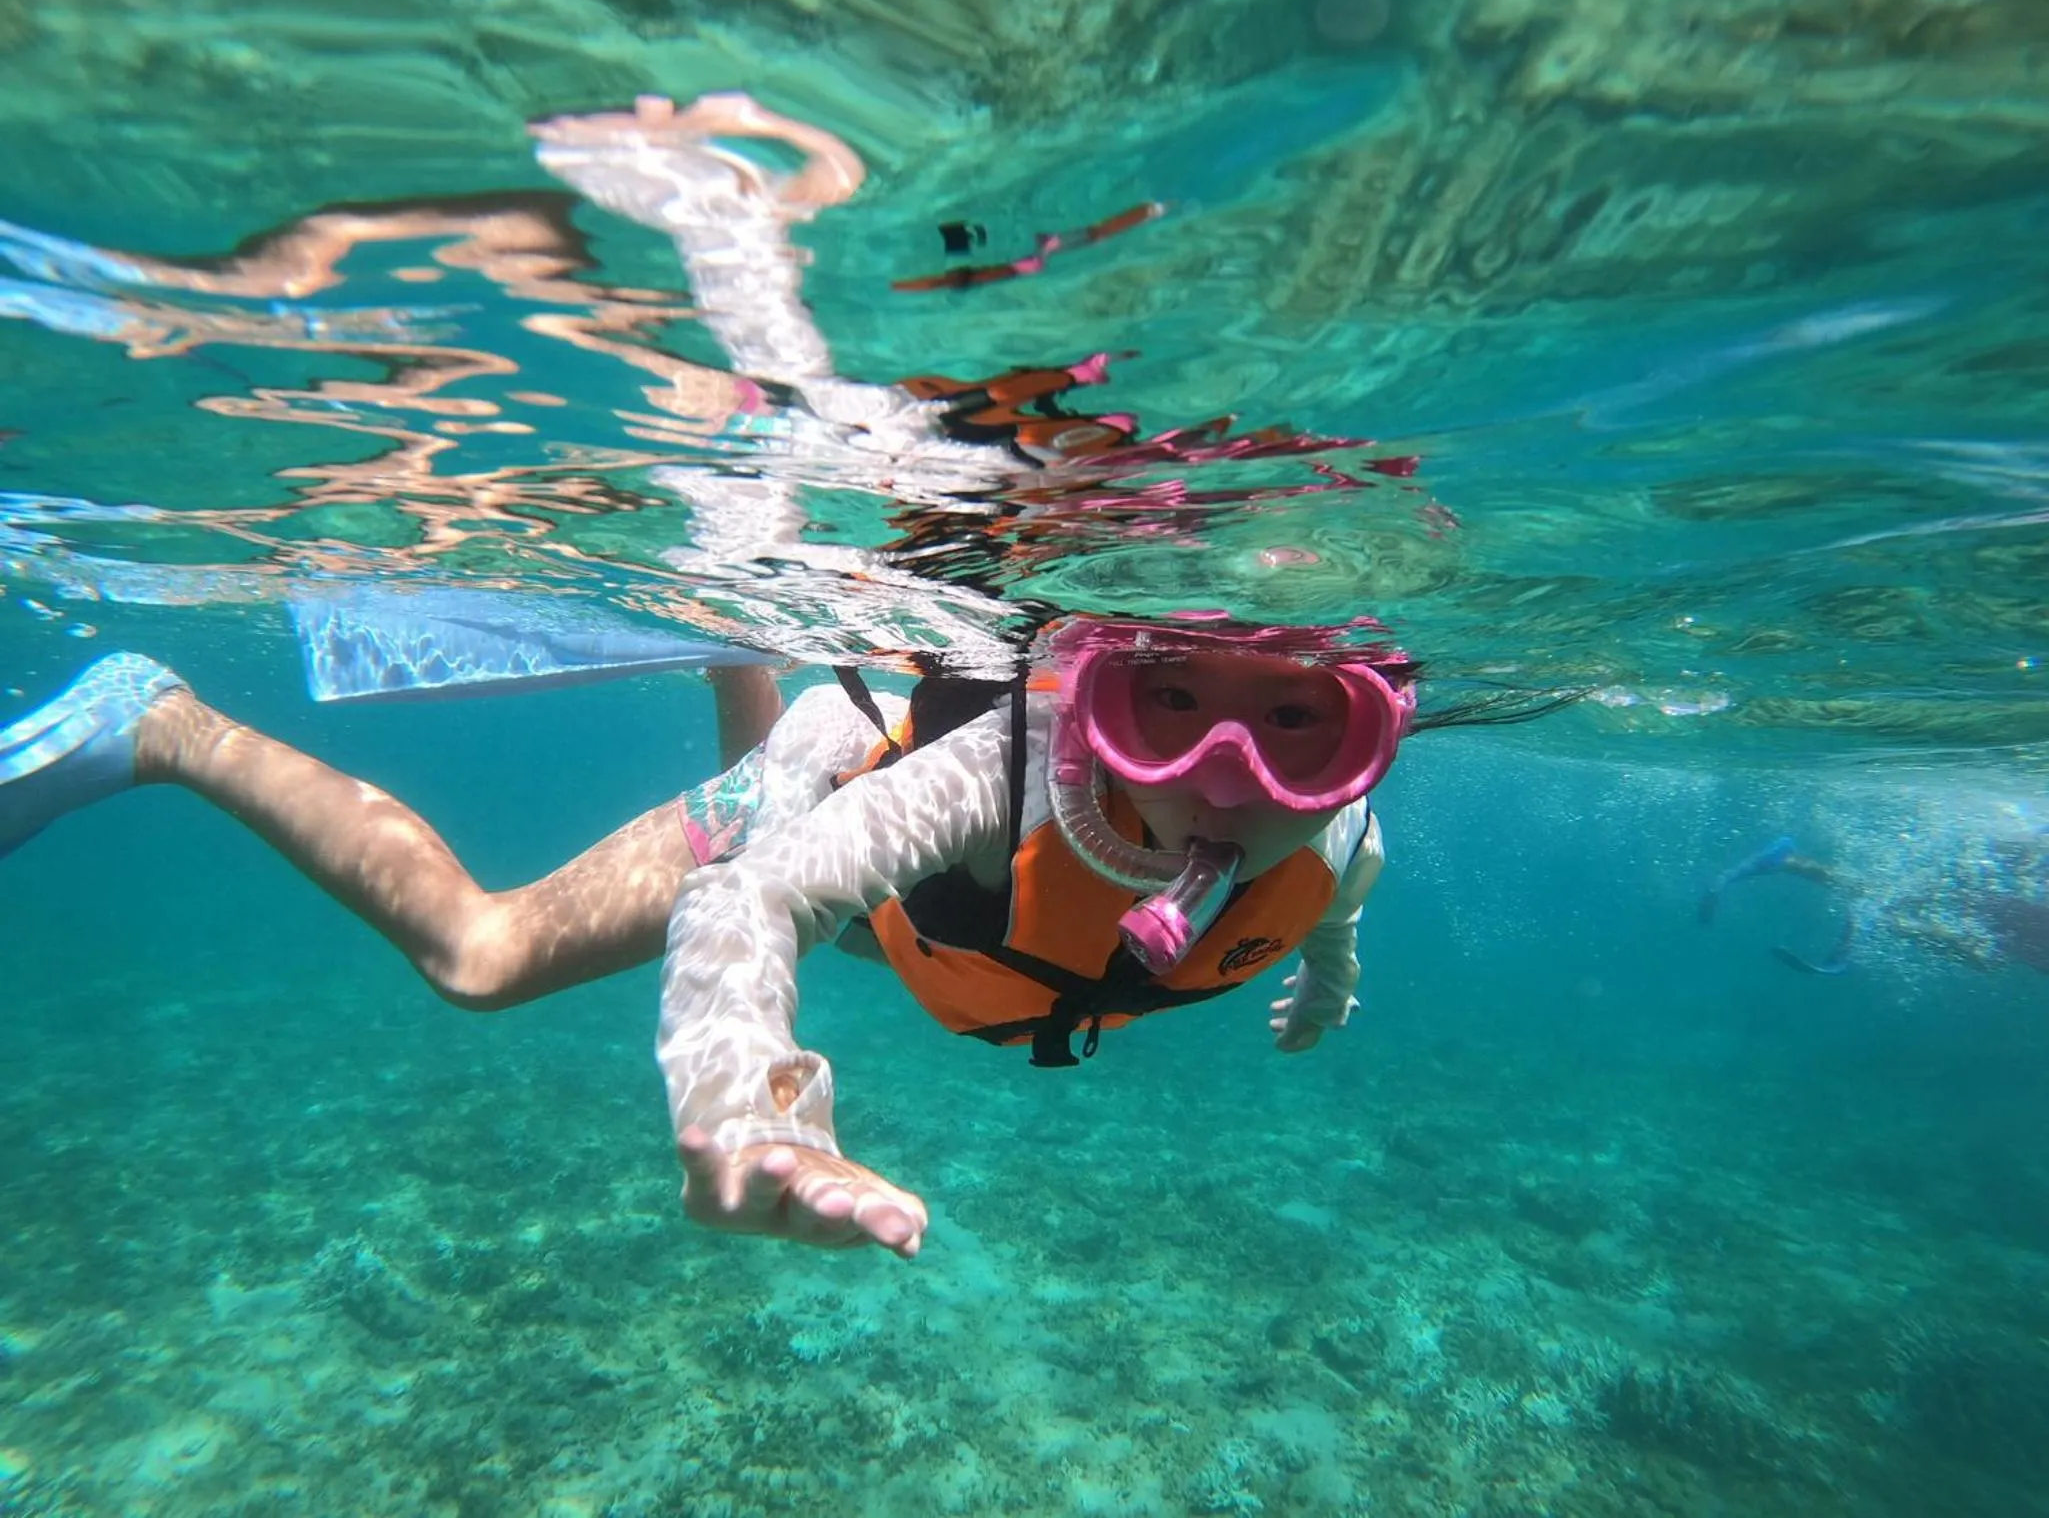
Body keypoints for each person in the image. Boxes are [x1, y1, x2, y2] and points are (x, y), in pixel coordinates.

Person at [1, 614, 1411, 1263]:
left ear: (1362, 750)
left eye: (1299, 725)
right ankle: (166, 723)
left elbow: (1336, 917)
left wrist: (1327, 983)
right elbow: (753, 899)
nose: (1224, 778)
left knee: (856, 917)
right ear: (1097, 695)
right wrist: (744, 1091)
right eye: (1168, 705)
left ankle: (745, 643)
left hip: (922, 936)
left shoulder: (1340, 848)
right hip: (847, 811)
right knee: (482, 954)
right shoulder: (1003, 780)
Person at [1699, 833, 2049, 976]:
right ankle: (1887, 919)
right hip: (2017, 882)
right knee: (1982, 947)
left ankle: (1790, 862)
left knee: (1984, 951)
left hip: (2020, 887)